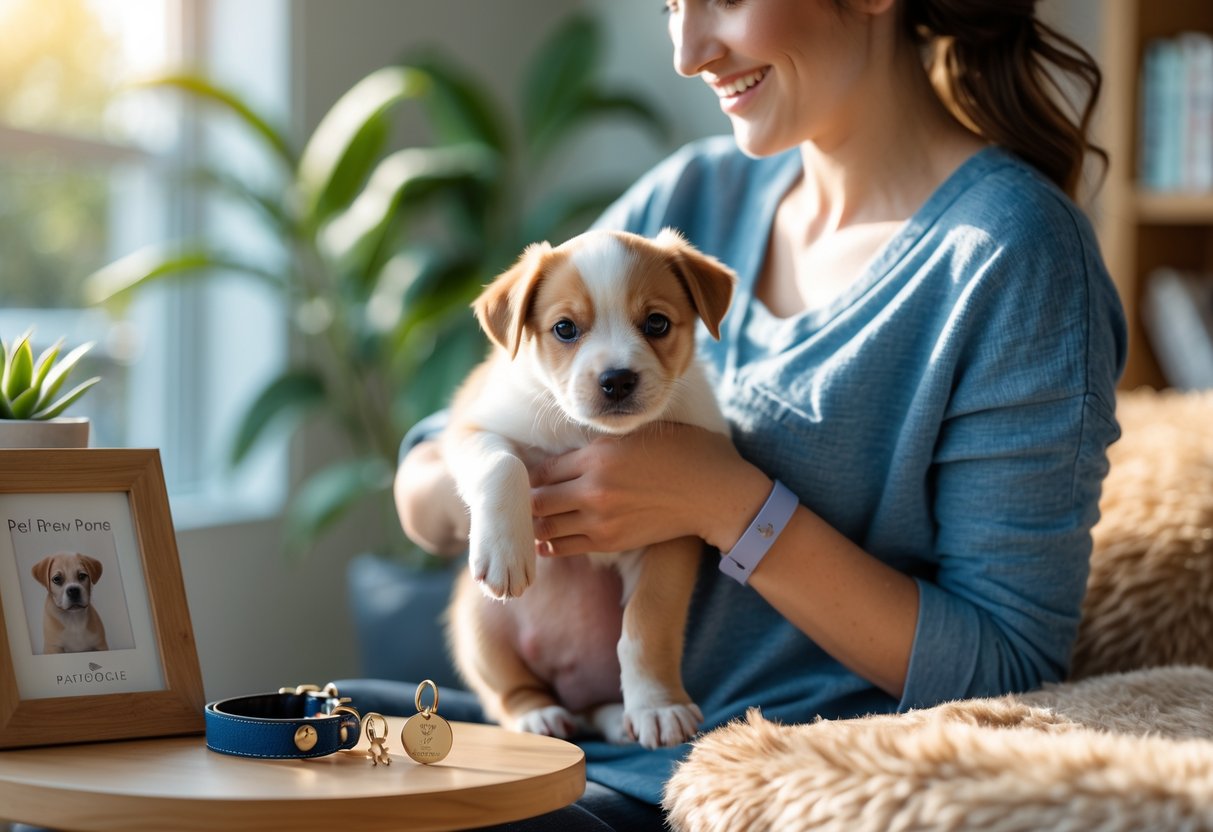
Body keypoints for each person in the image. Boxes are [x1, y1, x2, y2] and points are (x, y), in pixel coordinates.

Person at [344, 0, 1127, 828]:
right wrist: (500, 488)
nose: (687, 52)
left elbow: (1005, 667)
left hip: (743, 780)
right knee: (271, 732)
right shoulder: (697, 192)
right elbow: (436, 463)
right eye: (671, 5)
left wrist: (727, 506)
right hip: (571, 731)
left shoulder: (1012, 258)